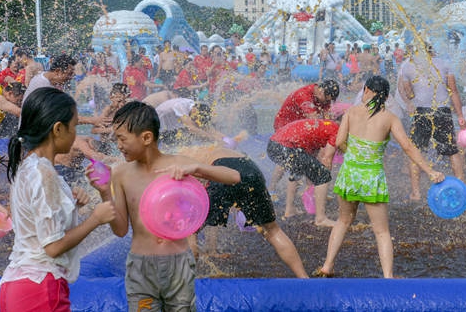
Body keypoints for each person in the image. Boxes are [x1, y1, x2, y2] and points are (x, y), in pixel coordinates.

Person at [92, 101, 240, 310]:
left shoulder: (178, 163)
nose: (118, 145)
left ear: (146, 138)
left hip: (177, 264)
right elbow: (120, 230)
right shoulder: (121, 174)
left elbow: (234, 176)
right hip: (141, 268)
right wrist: (104, 193)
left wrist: (196, 168)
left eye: (122, 138)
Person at [315, 76, 444, 278]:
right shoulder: (390, 118)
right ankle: (388, 276)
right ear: (386, 97)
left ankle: (327, 266)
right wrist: (430, 171)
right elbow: (408, 147)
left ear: (366, 90)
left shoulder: (351, 112)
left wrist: (354, 154)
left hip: (349, 175)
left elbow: (339, 141)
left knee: (343, 222)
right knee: (382, 231)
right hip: (372, 179)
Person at [0, 87, 116, 311]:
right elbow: (52, 247)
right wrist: (95, 218)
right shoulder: (45, 174)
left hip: (17, 284)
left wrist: (70, 206)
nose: (75, 135)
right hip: (41, 288)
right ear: (58, 129)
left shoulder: (27, 167)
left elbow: (34, 225)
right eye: (73, 127)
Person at [165, 145, 309, 278]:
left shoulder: (182, 156)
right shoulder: (219, 149)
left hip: (223, 172)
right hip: (252, 172)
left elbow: (195, 187)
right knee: (272, 230)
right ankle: (304, 278)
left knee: (190, 231)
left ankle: (186, 281)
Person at [397, 42, 466, 201]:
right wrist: (461, 116)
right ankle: (461, 186)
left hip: (422, 112)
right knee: (452, 151)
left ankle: (416, 192)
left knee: (416, 151)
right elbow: (454, 91)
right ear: (432, 51)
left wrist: (409, 102)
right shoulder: (444, 64)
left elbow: (405, 91)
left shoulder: (408, 66)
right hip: (442, 110)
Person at [267, 118, 339, 227]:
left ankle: (289, 210)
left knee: (297, 170)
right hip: (285, 147)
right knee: (323, 174)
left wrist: (311, 183)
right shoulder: (336, 131)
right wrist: (323, 182)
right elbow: (327, 160)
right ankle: (321, 219)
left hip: (273, 145)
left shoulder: (323, 127)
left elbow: (311, 158)